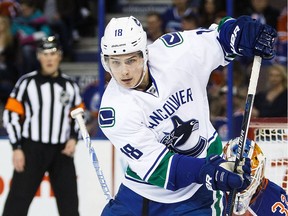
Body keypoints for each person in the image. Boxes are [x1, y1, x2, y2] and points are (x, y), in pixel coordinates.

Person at [98, 15, 276, 215]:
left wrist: (242, 33)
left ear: (144, 54)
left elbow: (220, 39)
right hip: (143, 192)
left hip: (199, 193)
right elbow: (162, 168)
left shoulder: (175, 53)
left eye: (131, 60)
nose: (124, 72)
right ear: (106, 63)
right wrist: (209, 171)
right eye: (116, 62)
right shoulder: (113, 111)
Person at [2, 36, 83, 216]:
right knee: (16, 205)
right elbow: (11, 114)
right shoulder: (26, 82)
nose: (49, 58)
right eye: (45, 54)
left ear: (60, 56)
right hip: (32, 149)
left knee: (69, 205)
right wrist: (16, 147)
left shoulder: (70, 85)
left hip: (61, 152)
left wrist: (74, 138)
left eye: (53, 53)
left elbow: (79, 116)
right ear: (38, 56)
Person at [223, 137, 288, 215]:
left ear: (259, 172)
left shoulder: (273, 200)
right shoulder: (213, 190)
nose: (240, 180)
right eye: (233, 172)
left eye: (248, 174)